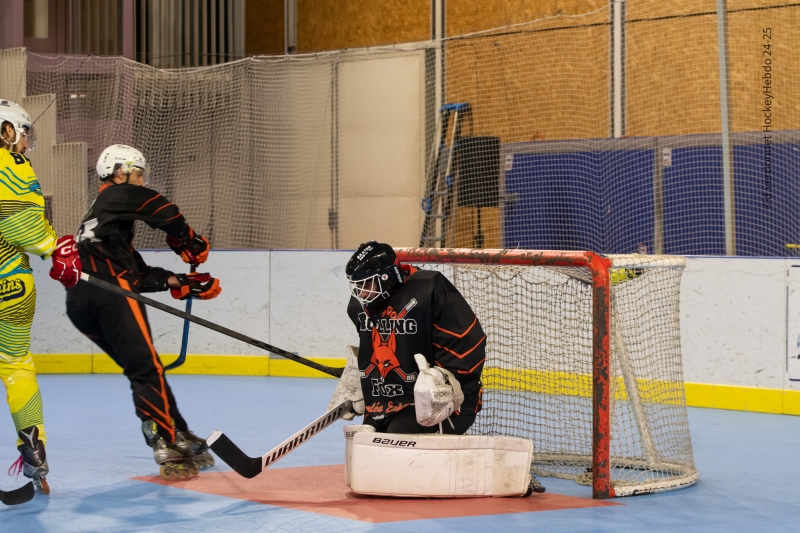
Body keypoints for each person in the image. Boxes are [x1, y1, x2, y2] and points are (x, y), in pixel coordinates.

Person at [329, 241, 545, 496]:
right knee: (365, 458)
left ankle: (499, 469)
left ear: (387, 278)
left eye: (367, 285)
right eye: (357, 287)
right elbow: (374, 348)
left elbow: (470, 342)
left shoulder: (429, 289)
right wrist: (359, 377)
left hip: (440, 406)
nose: (360, 293)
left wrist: (443, 378)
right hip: (386, 405)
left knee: (396, 455)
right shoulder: (361, 307)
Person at [65, 144, 220, 479]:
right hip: (109, 294)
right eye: (137, 173)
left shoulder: (104, 221)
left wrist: (179, 281)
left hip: (81, 301)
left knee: (145, 368)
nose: (140, 181)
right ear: (119, 172)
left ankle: (176, 431)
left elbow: (136, 275)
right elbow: (164, 209)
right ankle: (163, 442)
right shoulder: (116, 194)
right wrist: (188, 241)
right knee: (145, 370)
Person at [0, 99, 81, 494]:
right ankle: (33, 449)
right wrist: (56, 249)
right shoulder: (9, 163)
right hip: (9, 285)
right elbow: (19, 221)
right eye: (23, 132)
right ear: (5, 131)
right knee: (16, 365)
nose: (26, 144)